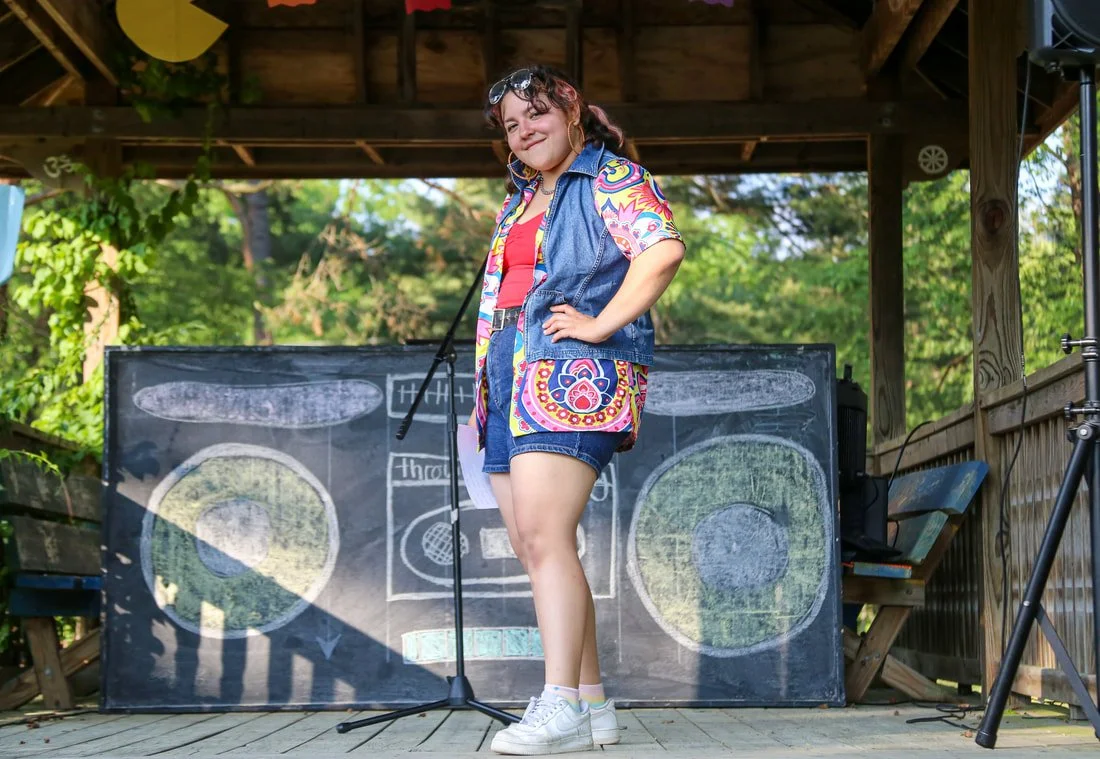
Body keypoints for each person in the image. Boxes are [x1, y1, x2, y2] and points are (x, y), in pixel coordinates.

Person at [466, 64, 684, 755]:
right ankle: (590, 704)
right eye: (511, 124)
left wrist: (598, 324)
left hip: (569, 375)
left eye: (536, 114)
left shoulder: (611, 178)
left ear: (572, 110)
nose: (525, 131)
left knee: (547, 535)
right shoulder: (521, 198)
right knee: (536, 545)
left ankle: (557, 700)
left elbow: (663, 250)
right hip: (504, 375)